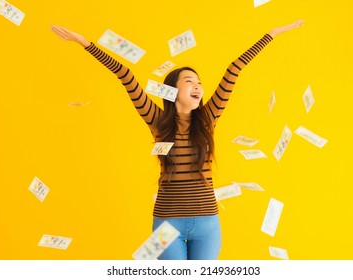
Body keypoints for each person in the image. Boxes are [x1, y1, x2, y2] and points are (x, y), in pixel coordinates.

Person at [50, 19, 303, 260]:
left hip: (207, 223)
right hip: (166, 223)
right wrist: (85, 42)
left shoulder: (207, 118)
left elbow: (234, 69)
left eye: (199, 83)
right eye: (189, 81)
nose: (198, 86)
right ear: (172, 90)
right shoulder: (158, 122)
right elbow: (125, 76)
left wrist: (272, 34)